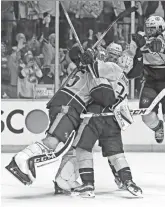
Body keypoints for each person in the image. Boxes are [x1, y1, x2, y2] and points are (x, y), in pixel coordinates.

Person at [53, 42, 143, 197]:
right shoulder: (124, 80)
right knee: (116, 153)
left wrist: (90, 59)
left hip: (95, 114)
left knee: (81, 148)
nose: (113, 57)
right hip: (113, 118)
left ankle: (87, 184)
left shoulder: (109, 68)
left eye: (116, 55)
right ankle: (128, 181)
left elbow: (93, 72)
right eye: (111, 53)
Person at [5, 44, 95, 186]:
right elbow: (73, 53)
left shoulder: (90, 67)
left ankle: (62, 180)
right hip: (69, 104)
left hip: (72, 107)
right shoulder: (93, 70)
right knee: (54, 139)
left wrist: (83, 55)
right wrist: (81, 52)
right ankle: (21, 159)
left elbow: (74, 55)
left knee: (73, 147)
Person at [130, 15, 165, 143]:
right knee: (147, 116)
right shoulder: (141, 38)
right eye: (147, 28)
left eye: (152, 29)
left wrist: (162, 46)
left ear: (160, 28)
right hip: (150, 82)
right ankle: (158, 127)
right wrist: (138, 50)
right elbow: (133, 69)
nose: (148, 32)